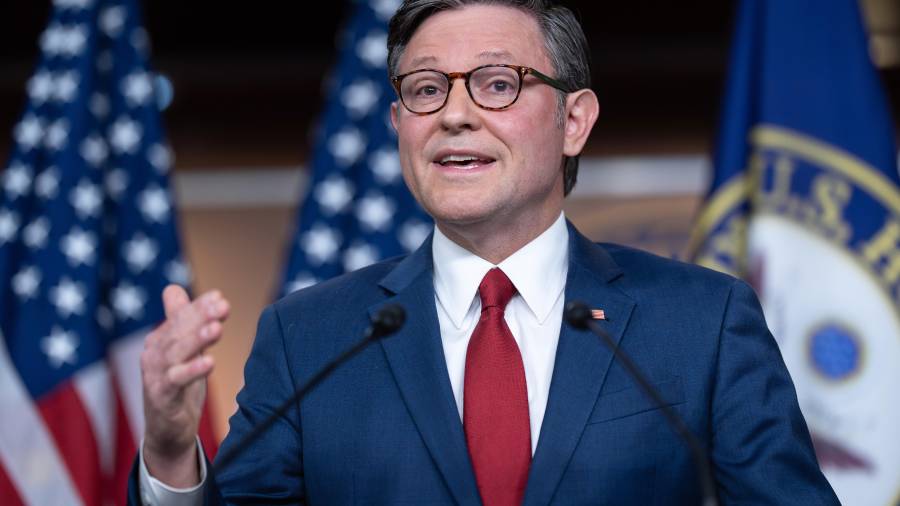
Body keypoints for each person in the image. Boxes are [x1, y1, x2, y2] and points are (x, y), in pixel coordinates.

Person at [131, 0, 840, 504]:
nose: (455, 113)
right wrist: (168, 448)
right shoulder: (309, 336)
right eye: (426, 89)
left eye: (498, 84)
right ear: (397, 125)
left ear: (574, 120)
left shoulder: (701, 323)